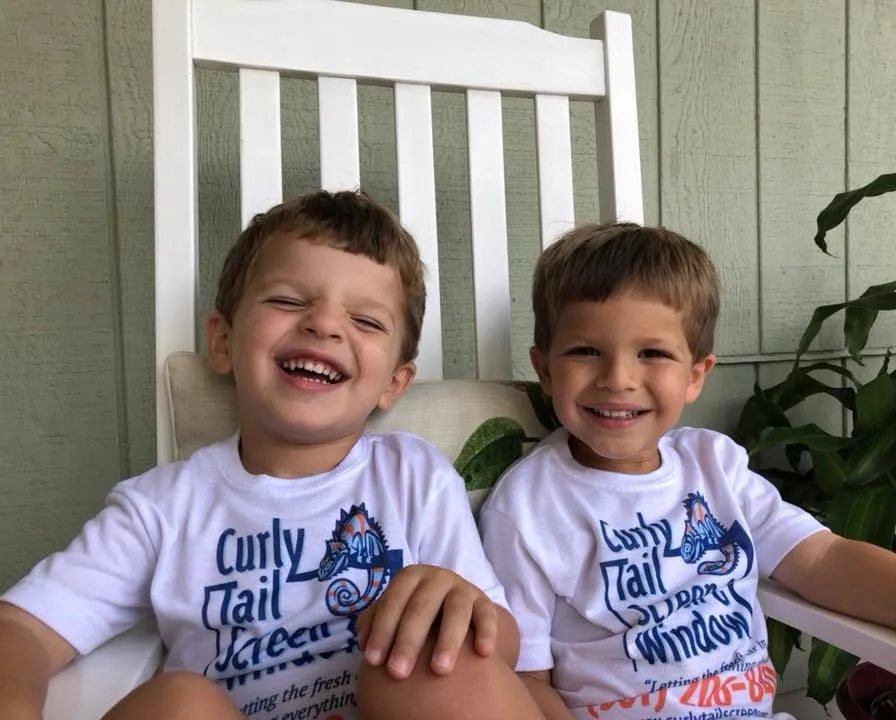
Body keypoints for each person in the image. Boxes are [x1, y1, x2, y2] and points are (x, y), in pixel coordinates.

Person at [0, 190, 545, 720]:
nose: (325, 324)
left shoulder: (413, 475)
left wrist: (461, 606)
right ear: (222, 340)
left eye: (366, 320)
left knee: (439, 662)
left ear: (394, 383)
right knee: (177, 702)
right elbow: (21, 628)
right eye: (288, 300)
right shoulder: (161, 508)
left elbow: (503, 650)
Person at [479, 222, 896, 720]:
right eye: (585, 351)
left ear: (694, 375)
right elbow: (524, 678)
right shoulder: (526, 508)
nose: (618, 379)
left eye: (653, 353)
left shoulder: (715, 466)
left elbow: (823, 561)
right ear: (545, 369)